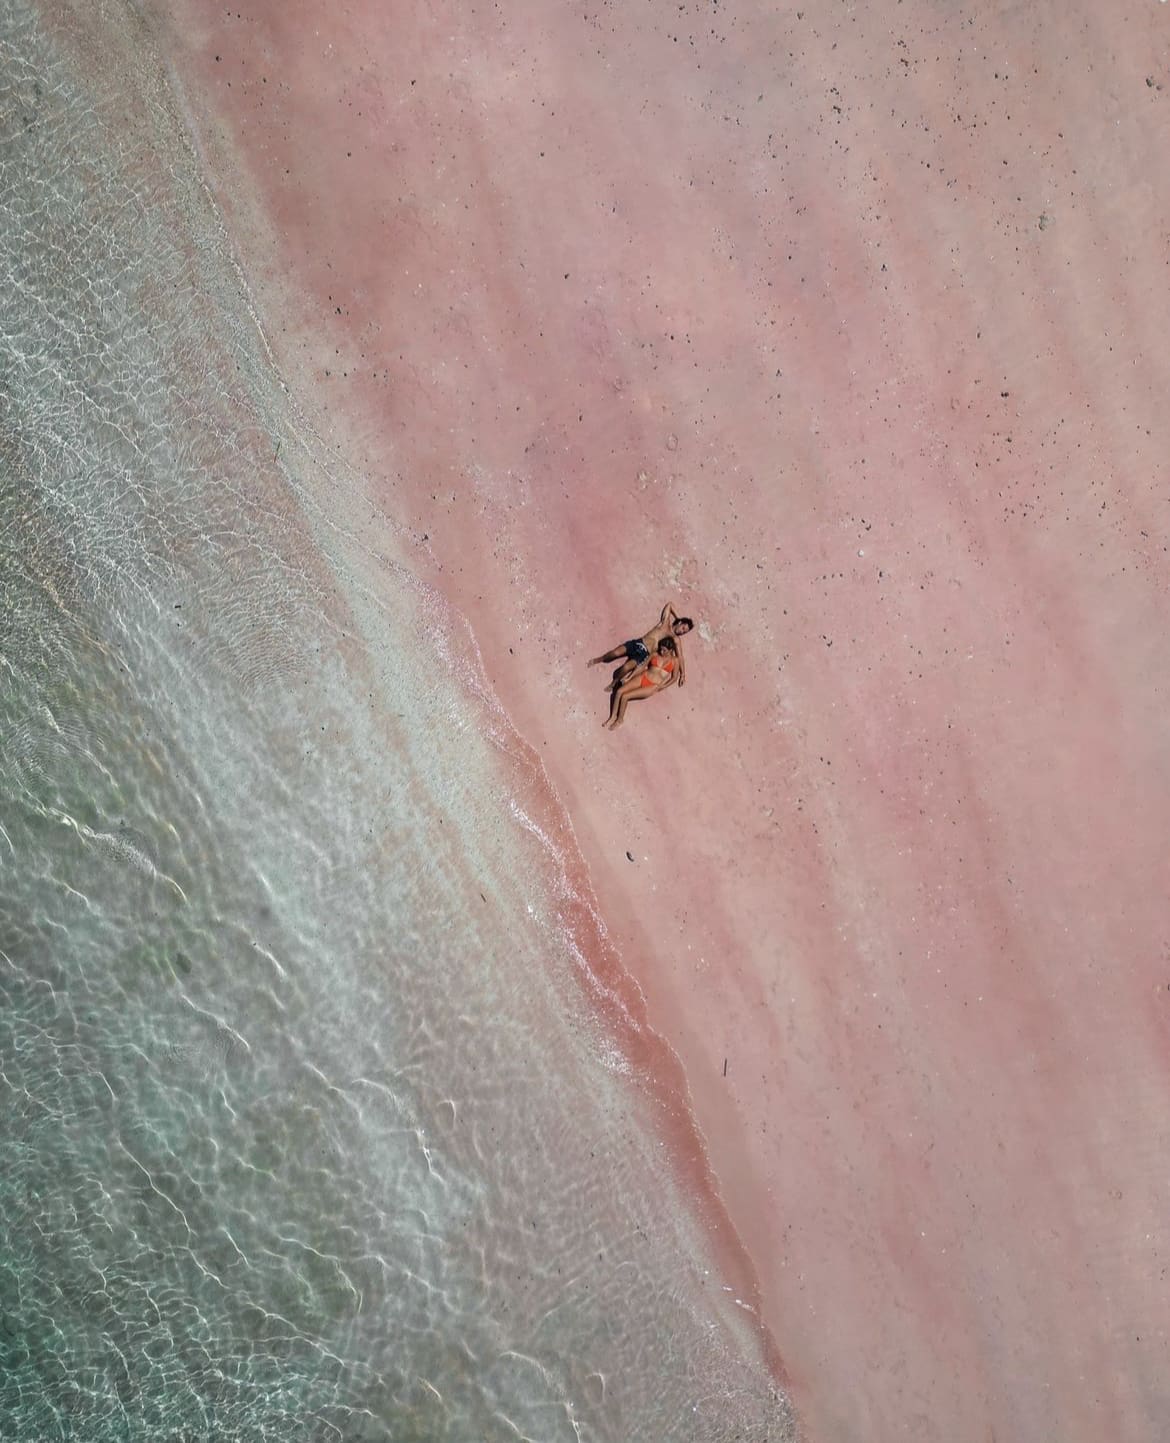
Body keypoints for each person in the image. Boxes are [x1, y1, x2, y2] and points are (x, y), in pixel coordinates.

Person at [588, 601, 693, 693]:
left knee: (626, 668)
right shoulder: (665, 623)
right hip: (638, 643)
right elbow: (669, 605)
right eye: (683, 628)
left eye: (685, 632)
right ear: (680, 623)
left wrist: (682, 674)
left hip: (644, 654)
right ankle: (599, 659)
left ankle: (613, 683)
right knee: (615, 653)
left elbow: (680, 657)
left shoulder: (675, 639)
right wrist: (678, 617)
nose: (682, 632)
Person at [604, 636, 679, 730]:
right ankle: (612, 717)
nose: (661, 652)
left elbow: (674, 677)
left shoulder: (675, 660)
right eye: (661, 649)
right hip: (643, 676)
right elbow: (642, 666)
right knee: (619, 691)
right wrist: (629, 677)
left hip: (652, 686)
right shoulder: (655, 654)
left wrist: (662, 686)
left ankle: (619, 720)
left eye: (664, 650)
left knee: (625, 696)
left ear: (671, 650)